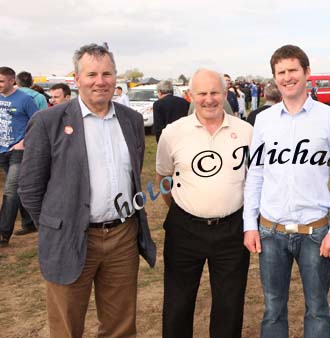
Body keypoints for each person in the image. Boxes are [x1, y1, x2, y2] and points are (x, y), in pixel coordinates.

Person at [18, 43, 156, 337]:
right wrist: (57, 222)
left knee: (120, 324)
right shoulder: (48, 122)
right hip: (70, 237)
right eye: (91, 74)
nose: (100, 81)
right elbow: (29, 186)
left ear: (115, 77)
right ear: (77, 79)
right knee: (67, 325)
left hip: (121, 236)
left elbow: (133, 170)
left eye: (107, 73)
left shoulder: (130, 120)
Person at [243, 44, 330, 338]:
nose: (287, 77)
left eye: (293, 70)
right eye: (281, 72)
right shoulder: (264, 121)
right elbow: (255, 174)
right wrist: (249, 225)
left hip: (315, 233)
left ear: (307, 73)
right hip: (270, 231)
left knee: (318, 309)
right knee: (272, 309)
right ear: (274, 78)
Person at [156, 69, 252, 338]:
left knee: (229, 304)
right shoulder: (173, 133)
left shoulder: (247, 132)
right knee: (178, 302)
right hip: (184, 228)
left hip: (233, 229)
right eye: (202, 93)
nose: (209, 99)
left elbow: (254, 179)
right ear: (190, 96)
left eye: (215, 93)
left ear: (225, 94)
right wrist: (181, 207)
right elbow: (164, 177)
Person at [0, 67, 39, 247]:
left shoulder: (25, 100)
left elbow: (38, 123)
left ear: (11, 80)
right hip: (2, 151)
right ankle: (30, 223)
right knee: (20, 188)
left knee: (10, 189)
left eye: (1, 81)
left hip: (19, 151)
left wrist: (24, 141)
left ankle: (3, 233)